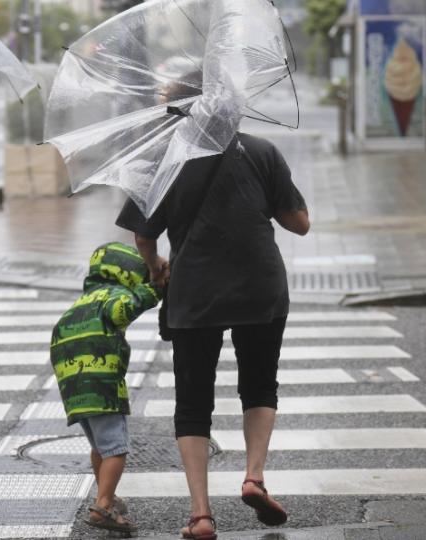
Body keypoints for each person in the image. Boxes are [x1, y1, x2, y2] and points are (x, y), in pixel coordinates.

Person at [116, 133, 310, 539]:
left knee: (192, 401)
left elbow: (143, 236)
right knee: (259, 386)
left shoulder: (161, 157)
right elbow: (300, 223)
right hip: (260, 286)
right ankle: (254, 477)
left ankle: (201, 515)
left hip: (195, 291)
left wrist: (155, 267)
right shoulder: (260, 151)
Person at [50, 241, 162, 534]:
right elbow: (122, 310)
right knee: (116, 448)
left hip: (73, 387)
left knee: (99, 446)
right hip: (101, 383)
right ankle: (102, 505)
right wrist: (155, 290)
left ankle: (107, 495)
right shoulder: (114, 294)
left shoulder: (82, 302)